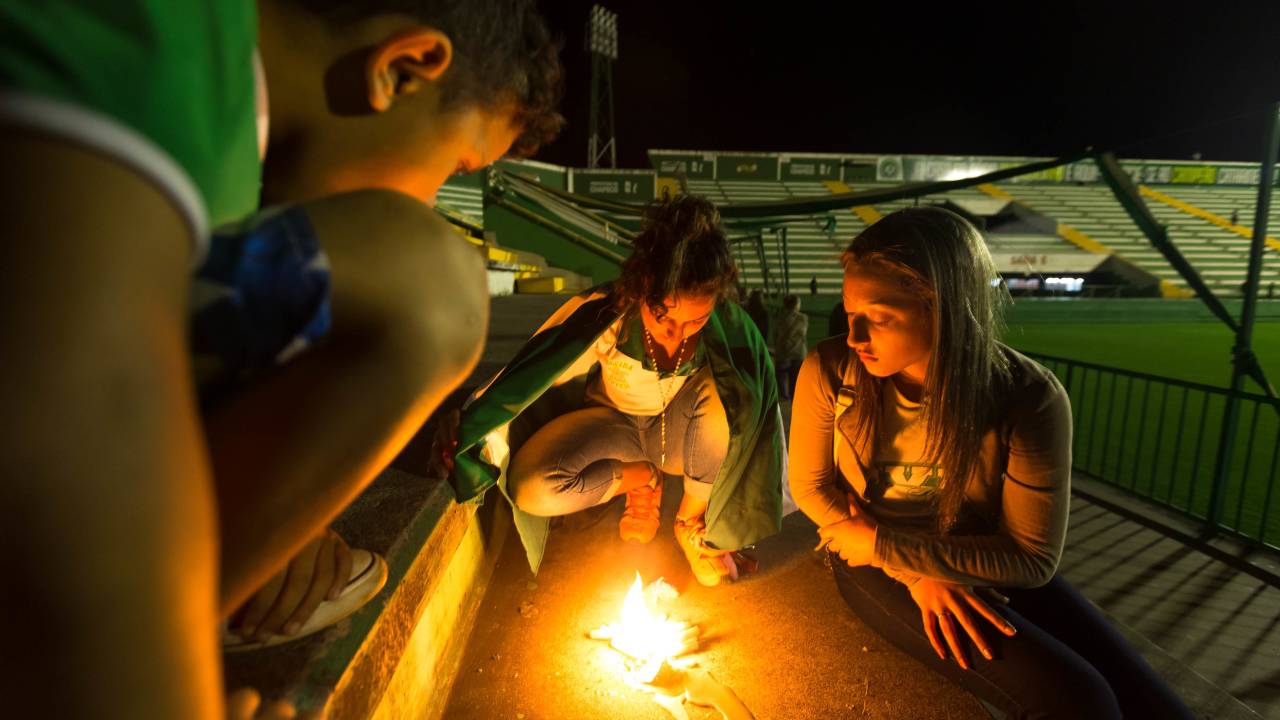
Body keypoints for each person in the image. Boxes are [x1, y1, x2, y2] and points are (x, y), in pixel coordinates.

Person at [0, 0, 562, 716]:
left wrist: (289, 504)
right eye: (454, 165)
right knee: (430, 279)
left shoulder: (236, 152)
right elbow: (79, 401)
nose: (432, 200)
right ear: (403, 67)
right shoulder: (170, 28)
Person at [789, 207, 1192, 719]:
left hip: (966, 553)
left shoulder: (1029, 397)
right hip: (876, 568)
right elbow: (811, 488)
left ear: (946, 307)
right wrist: (912, 571)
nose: (855, 337)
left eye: (879, 317)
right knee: (1081, 701)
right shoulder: (831, 371)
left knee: (1156, 707)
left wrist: (897, 547)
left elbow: (1031, 558)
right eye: (850, 315)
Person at [436, 195, 784, 587]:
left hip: (688, 441)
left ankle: (691, 523)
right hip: (615, 428)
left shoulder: (731, 329)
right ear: (643, 286)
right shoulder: (608, 315)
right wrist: (471, 422)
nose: (675, 337)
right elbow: (529, 378)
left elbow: (758, 413)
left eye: (695, 321)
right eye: (664, 315)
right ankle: (643, 480)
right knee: (532, 488)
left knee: (730, 394)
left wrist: (720, 517)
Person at [771, 294, 808, 401]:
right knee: (795, 379)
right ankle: (793, 397)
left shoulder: (779, 318)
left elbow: (775, 335)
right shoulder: (803, 318)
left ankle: (784, 395)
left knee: (782, 376)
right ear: (796, 305)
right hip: (798, 352)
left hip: (783, 351)